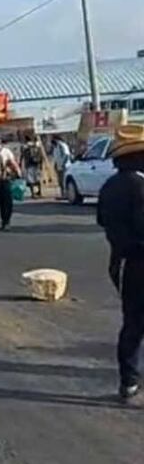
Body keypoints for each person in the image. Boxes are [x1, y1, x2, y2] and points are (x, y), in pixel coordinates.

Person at [96, 123, 144, 403]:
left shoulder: (110, 186)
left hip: (124, 263)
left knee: (132, 324)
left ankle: (128, 381)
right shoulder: (140, 186)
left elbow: (103, 220)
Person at [21, 134, 44, 199]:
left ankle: (33, 194)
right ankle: (40, 192)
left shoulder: (25, 146)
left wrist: (21, 163)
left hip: (29, 164)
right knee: (38, 178)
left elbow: (22, 155)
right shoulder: (36, 145)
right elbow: (40, 155)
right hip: (37, 163)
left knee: (31, 180)